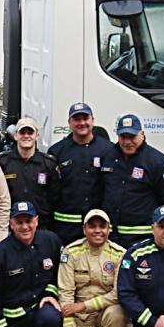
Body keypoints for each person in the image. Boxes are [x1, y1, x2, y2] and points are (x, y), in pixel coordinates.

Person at [51, 209, 127, 327]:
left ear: (109, 229)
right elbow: (65, 293)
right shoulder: (71, 252)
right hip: (81, 316)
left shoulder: (119, 254)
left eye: (102, 226)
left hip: (106, 311)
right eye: (92, 226)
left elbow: (117, 294)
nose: (97, 230)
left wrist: (85, 305)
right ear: (84, 229)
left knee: (117, 313)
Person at [103, 115, 164, 251]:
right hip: (111, 238)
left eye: (132, 136)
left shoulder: (157, 161)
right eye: (123, 137)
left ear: (142, 134)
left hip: (143, 238)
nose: (127, 141)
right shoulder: (108, 157)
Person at [48, 103, 116, 245]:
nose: (82, 123)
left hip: (97, 226)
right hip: (65, 228)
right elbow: (51, 190)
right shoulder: (56, 151)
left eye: (86, 118)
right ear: (69, 123)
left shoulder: (109, 150)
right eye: (77, 119)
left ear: (93, 120)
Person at [0, 117, 61, 231]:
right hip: (12, 226)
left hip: (41, 226)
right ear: (16, 135)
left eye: (30, 132)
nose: (26, 136)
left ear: (36, 135)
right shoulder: (3, 162)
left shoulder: (48, 164)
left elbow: (55, 197)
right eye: (22, 132)